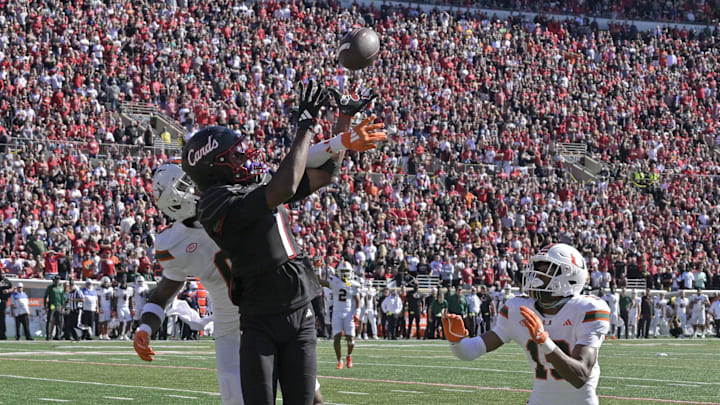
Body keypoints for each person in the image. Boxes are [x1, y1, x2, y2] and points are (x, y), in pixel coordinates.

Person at [184, 80, 383, 405]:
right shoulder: (213, 203)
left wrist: (343, 121)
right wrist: (305, 125)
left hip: (299, 309)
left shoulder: (249, 186)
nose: (245, 160)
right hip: (259, 317)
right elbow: (285, 186)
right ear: (216, 166)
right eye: (235, 157)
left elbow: (325, 174)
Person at [134, 162, 326, 405]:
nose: (198, 186)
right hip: (234, 332)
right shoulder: (175, 243)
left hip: (272, 310)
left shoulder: (225, 207)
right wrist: (145, 328)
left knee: (311, 398)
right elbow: (162, 295)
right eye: (187, 184)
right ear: (175, 200)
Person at [443, 243, 610, 405]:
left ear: (569, 275)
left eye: (544, 270)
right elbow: (470, 351)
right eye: (536, 268)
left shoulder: (587, 309)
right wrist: (456, 342)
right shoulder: (518, 308)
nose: (535, 275)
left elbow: (580, 376)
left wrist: (544, 341)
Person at [318, 261, 361, 369]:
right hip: (337, 312)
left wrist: (357, 313)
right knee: (336, 337)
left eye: (347, 271)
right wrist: (318, 269)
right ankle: (339, 360)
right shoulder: (334, 281)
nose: (345, 273)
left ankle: (349, 356)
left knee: (350, 339)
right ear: (338, 271)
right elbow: (320, 282)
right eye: (343, 271)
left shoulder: (353, 284)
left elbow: (358, 300)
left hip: (349, 313)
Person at [44, 275, 66, 340]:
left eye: (58, 279)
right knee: (50, 320)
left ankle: (58, 335)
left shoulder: (61, 288)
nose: (57, 281)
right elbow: (46, 297)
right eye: (56, 279)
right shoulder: (50, 287)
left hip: (59, 305)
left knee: (59, 321)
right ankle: (48, 335)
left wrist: (63, 307)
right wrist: (45, 306)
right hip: (52, 305)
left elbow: (63, 298)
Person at [0, 270, 11, 339]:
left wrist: (8, 291)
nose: (2, 274)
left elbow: (13, 289)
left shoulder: (6, 281)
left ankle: (2, 335)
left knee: (2, 319)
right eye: (1, 273)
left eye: (3, 273)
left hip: (3, 301)